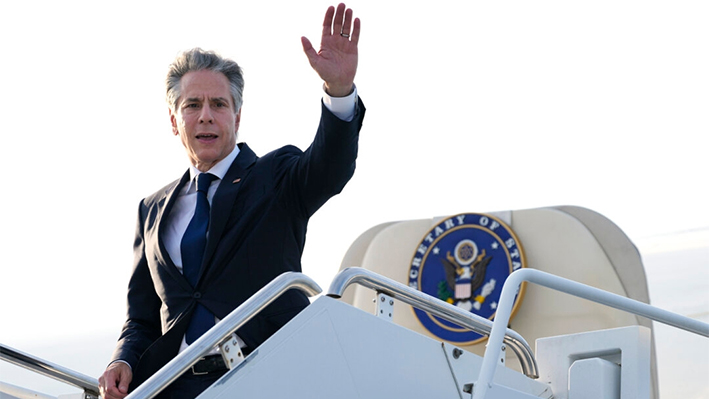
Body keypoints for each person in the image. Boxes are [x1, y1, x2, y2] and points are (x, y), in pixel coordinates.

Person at [98, 4, 364, 399]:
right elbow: (142, 318)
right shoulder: (150, 210)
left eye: (219, 105)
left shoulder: (276, 177)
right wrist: (122, 359)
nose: (206, 116)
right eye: (192, 105)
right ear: (174, 120)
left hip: (267, 379)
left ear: (237, 117)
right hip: (175, 386)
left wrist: (339, 92)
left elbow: (331, 167)